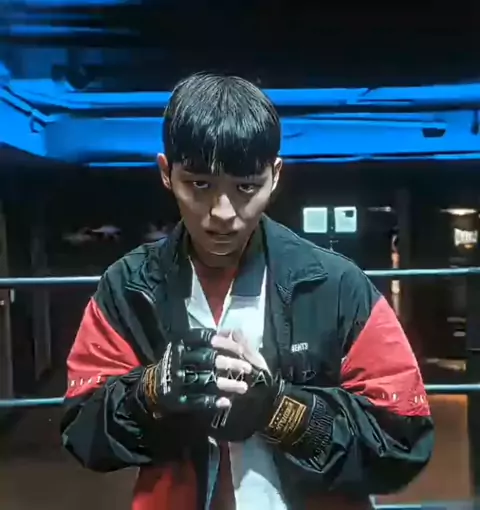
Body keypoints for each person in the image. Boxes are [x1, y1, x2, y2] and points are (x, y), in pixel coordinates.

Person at [61, 73, 434, 510]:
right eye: (199, 184)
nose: (223, 212)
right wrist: (150, 392)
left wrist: (280, 409)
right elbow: (82, 428)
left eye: (246, 187)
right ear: (166, 173)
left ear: (274, 176)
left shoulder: (337, 285)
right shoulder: (128, 286)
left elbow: (403, 440)